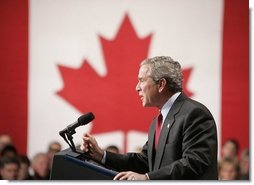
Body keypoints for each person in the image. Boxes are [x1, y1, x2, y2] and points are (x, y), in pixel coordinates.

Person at [80, 56, 218, 180]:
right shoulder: (158, 120)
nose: (137, 88)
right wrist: (102, 155)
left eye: (141, 80)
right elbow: (145, 161)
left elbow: (194, 162)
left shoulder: (194, 113)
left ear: (161, 84)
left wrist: (147, 178)